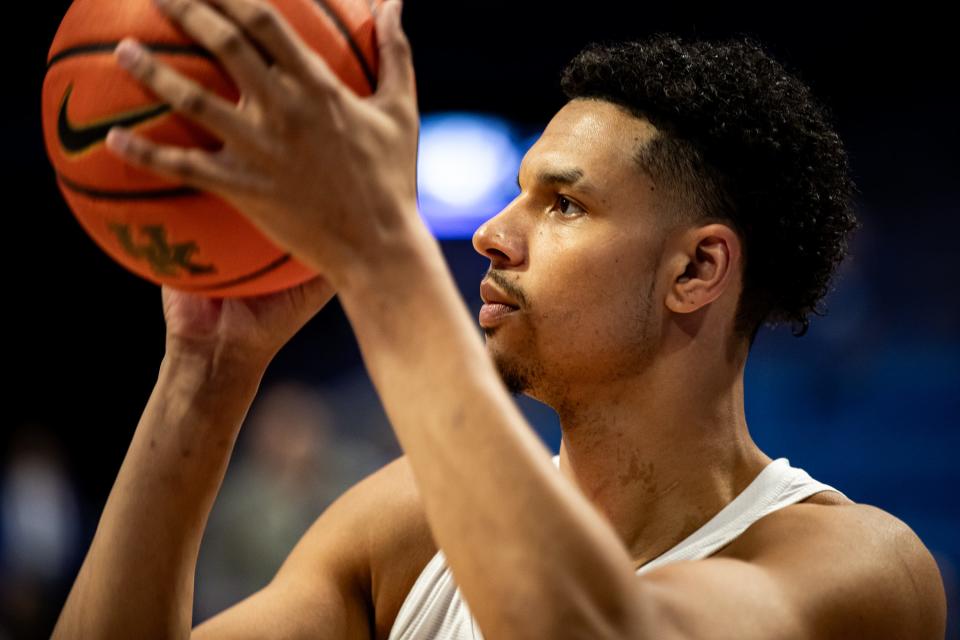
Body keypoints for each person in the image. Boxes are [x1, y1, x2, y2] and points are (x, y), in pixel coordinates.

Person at [52, 0, 947, 637]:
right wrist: (206, 373)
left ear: (696, 269)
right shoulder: (405, 524)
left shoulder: (854, 567)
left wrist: (382, 259)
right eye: (514, 194)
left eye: (562, 205)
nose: (488, 234)